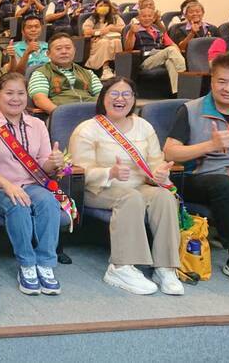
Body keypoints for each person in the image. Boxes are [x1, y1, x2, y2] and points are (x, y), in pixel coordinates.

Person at [70, 77, 183, 295]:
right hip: (99, 189)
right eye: (114, 93)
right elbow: (81, 172)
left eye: (126, 94)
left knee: (164, 197)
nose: (120, 99)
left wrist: (160, 174)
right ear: (103, 98)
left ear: (133, 99)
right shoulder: (87, 129)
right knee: (131, 197)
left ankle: (165, 267)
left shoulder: (144, 126)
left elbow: (155, 163)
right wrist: (109, 173)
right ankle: (121, 267)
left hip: (138, 186)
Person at [164, 52, 229, 291]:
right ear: (211, 81)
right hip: (196, 178)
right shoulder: (190, 110)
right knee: (222, 185)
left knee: (228, 184)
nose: (228, 88)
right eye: (222, 81)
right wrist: (210, 145)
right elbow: (170, 153)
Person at [0, 72, 65, 295]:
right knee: (19, 204)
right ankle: (27, 264)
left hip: (31, 185)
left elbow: (43, 166)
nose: (15, 99)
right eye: (9, 93)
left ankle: (45, 263)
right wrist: (7, 185)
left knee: (48, 201)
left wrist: (54, 162)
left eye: (21, 93)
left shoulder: (37, 124)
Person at [29, 33, 102, 114]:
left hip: (93, 113)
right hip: (63, 114)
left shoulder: (88, 73)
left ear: (74, 50)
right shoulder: (41, 73)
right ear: (48, 54)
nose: (64, 52)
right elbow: (39, 99)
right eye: (58, 49)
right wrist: (61, 114)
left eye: (68, 48)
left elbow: (103, 95)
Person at [123, 8, 186, 95]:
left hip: (161, 57)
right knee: (171, 50)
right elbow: (128, 48)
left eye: (149, 16)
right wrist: (131, 33)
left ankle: (178, 93)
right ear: (139, 18)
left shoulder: (158, 30)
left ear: (153, 19)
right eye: (144, 16)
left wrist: (176, 50)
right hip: (145, 60)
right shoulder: (134, 29)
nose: (147, 18)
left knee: (171, 62)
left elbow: (173, 45)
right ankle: (183, 74)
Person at [83, 0, 124, 80]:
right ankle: (105, 69)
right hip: (98, 40)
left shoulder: (115, 17)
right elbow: (86, 31)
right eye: (101, 5)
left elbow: (123, 29)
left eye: (105, 5)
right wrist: (100, 32)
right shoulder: (92, 18)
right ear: (96, 7)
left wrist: (111, 28)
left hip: (113, 38)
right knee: (104, 42)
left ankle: (118, 69)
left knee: (117, 42)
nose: (103, 7)